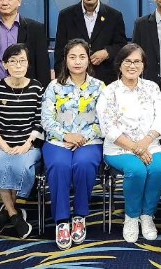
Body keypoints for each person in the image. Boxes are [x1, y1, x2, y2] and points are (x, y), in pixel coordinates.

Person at [96, 43, 161, 243]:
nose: (132, 66)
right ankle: (131, 216)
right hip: (118, 149)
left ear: (143, 65)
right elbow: (108, 127)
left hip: (150, 144)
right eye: (128, 61)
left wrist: (144, 143)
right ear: (120, 65)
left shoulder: (152, 88)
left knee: (158, 167)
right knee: (137, 170)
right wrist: (135, 148)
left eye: (137, 61)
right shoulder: (109, 92)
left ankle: (147, 216)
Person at [40, 38, 105, 250]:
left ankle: (79, 215)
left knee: (83, 165)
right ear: (65, 60)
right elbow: (46, 119)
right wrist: (67, 135)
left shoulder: (99, 87)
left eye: (82, 57)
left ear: (89, 60)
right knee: (60, 166)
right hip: (58, 142)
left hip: (89, 141)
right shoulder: (54, 87)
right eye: (72, 57)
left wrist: (82, 137)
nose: (77, 61)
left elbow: (104, 120)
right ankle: (61, 220)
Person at [0, 43, 42, 239]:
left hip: (29, 145)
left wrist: (27, 144)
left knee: (19, 166)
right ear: (5, 65)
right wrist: (4, 146)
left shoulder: (37, 88)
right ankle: (14, 213)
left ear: (28, 64)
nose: (18, 65)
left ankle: (6, 211)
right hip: (2, 144)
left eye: (22, 61)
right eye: (13, 61)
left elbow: (39, 122)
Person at [55, 0, 127, 84]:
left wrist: (107, 52)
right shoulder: (66, 16)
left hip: (105, 80)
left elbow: (122, 46)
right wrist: (61, 80)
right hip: (73, 80)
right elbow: (60, 51)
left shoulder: (114, 16)